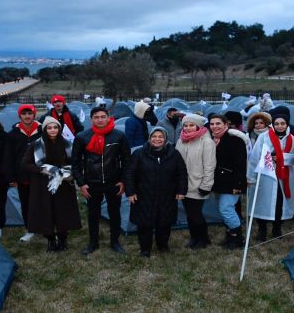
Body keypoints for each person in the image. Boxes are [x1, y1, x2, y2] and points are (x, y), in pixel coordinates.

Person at [72, 107, 131, 255]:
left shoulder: (119, 136)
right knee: (93, 214)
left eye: (103, 116)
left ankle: (115, 241)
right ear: (91, 119)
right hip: (92, 183)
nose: (100, 119)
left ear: (108, 117)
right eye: (96, 117)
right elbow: (75, 163)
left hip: (114, 182)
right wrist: (81, 183)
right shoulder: (82, 137)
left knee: (115, 213)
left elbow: (127, 160)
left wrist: (123, 180)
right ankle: (93, 243)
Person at [125, 127, 188, 257]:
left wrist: (181, 190)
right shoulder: (139, 153)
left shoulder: (174, 154)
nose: (157, 139)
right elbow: (129, 174)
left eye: (160, 137)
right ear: (149, 138)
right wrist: (130, 192)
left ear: (165, 139)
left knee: (164, 222)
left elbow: (181, 173)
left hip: (167, 195)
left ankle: (163, 246)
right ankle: (145, 249)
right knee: (144, 224)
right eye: (154, 136)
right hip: (144, 195)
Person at [23, 117, 82, 252]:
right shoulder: (35, 144)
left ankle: (62, 239)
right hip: (43, 184)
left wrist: (67, 172)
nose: (53, 130)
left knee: (63, 212)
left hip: (63, 183)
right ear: (44, 129)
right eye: (49, 128)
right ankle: (50, 240)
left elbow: (74, 162)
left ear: (59, 129)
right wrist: (42, 170)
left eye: (55, 127)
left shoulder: (67, 143)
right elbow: (25, 164)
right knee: (45, 212)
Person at [247, 111, 294, 240]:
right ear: (273, 125)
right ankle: (262, 229)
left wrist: (280, 158)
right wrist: (251, 176)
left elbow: (293, 158)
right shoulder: (264, 137)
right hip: (266, 174)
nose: (280, 126)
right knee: (262, 201)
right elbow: (255, 156)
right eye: (277, 124)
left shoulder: (292, 139)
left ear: (287, 124)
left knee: (280, 202)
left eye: (283, 123)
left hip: (283, 176)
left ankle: (277, 228)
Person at [175, 113, 215, 249]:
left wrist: (206, 185)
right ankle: (194, 237)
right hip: (183, 184)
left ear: (198, 126)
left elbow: (210, 166)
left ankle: (203, 238)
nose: (187, 128)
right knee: (189, 214)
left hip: (198, 184)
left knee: (196, 214)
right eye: (185, 125)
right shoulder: (181, 140)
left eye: (191, 125)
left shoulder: (206, 141)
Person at [3, 104, 41, 242]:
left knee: (42, 201)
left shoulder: (43, 130)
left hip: (41, 173)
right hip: (23, 175)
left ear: (34, 115)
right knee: (26, 203)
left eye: (29, 113)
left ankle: (44, 225)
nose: (27, 116)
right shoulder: (12, 134)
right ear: (20, 116)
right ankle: (30, 229)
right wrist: (11, 177)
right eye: (24, 114)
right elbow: (8, 157)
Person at [209, 114, 247, 249]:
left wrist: (238, 184)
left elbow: (241, 164)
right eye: (212, 124)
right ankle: (230, 235)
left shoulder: (235, 140)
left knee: (226, 209)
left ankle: (238, 238)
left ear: (225, 125)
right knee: (225, 209)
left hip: (232, 182)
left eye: (218, 123)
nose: (214, 126)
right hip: (218, 182)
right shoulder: (212, 140)